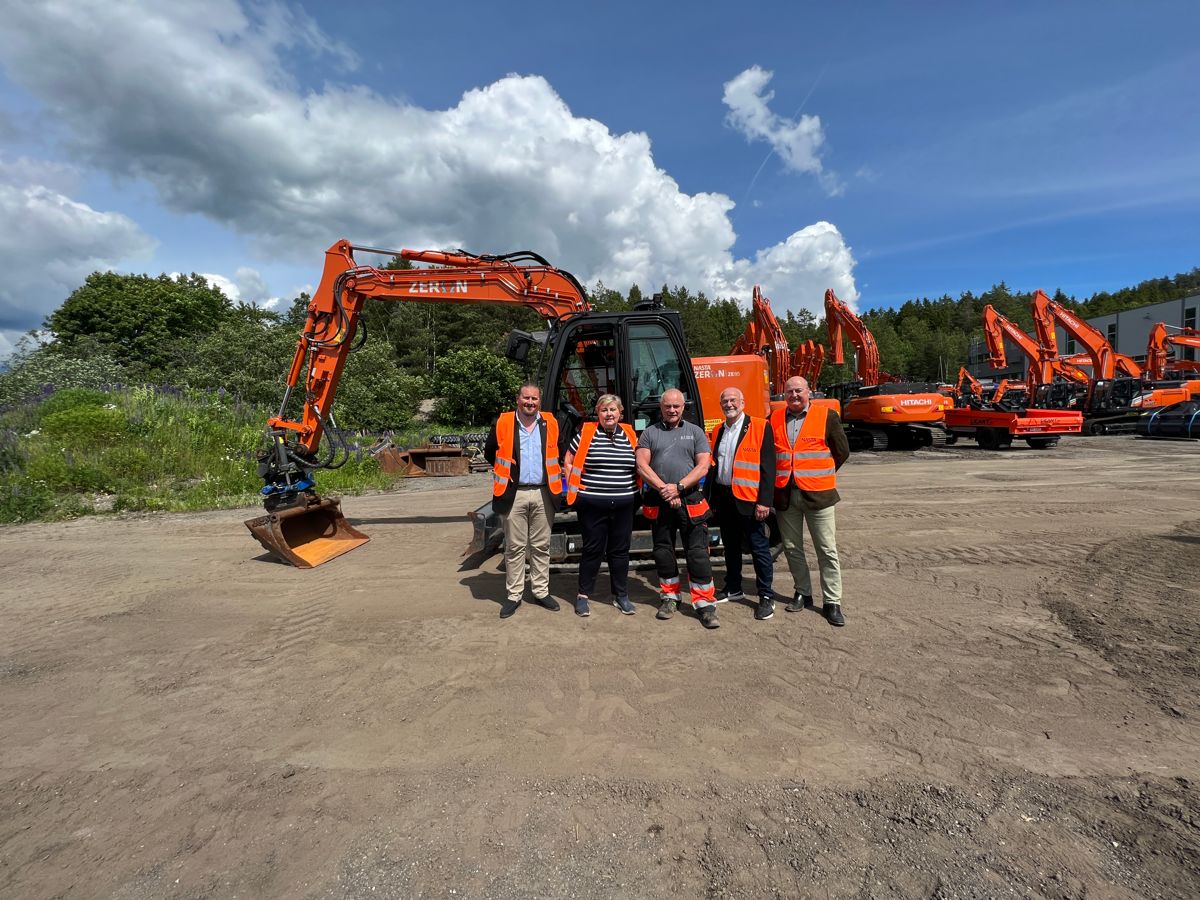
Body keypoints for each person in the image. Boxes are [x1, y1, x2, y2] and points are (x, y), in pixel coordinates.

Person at [635, 389, 719, 629]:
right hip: (660, 501)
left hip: (690, 500)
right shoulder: (650, 433)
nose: (672, 410)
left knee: (698, 553)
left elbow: (703, 466)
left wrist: (679, 487)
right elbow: (641, 464)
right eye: (668, 406)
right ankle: (670, 597)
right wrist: (665, 489)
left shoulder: (695, 432)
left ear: (683, 407)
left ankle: (705, 604)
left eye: (676, 406)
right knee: (663, 552)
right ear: (660, 407)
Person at [771, 376, 851, 626]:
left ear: (809, 393)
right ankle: (803, 592)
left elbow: (842, 452)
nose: (794, 395)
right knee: (793, 548)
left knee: (826, 549)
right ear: (784, 395)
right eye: (789, 391)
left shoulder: (826, 417)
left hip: (819, 495)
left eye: (798, 391)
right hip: (785, 493)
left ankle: (832, 601)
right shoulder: (773, 419)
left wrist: (820, 474)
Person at [484, 383, 564, 619]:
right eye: (526, 398)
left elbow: (556, 451)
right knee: (515, 547)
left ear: (540, 401)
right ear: (518, 399)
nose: (530, 402)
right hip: (514, 493)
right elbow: (491, 451)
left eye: (534, 398)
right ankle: (514, 595)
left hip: (543, 493)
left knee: (541, 546)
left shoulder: (550, 423)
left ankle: (540, 591)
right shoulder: (503, 422)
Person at [562, 394, 639, 618]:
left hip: (625, 503)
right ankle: (583, 596)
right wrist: (576, 492)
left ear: (620, 413)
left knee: (620, 551)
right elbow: (568, 461)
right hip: (592, 504)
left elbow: (640, 463)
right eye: (604, 410)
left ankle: (621, 596)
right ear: (598, 413)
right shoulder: (586, 434)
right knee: (593, 550)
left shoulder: (629, 434)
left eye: (613, 410)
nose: (608, 414)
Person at [706, 386, 777, 620]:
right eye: (724, 401)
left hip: (750, 499)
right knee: (731, 547)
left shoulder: (760, 426)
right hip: (726, 499)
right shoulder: (718, 430)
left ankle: (766, 595)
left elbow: (768, 468)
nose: (729, 404)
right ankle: (733, 587)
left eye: (733, 400)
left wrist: (764, 501)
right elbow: (716, 466)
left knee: (758, 549)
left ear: (743, 403)